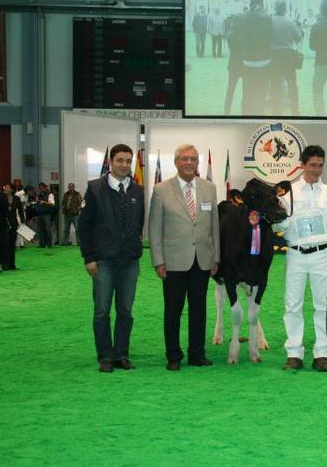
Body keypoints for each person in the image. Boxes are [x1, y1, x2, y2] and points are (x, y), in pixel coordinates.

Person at [149, 144, 220, 371]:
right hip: (173, 261)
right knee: (173, 310)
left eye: (193, 159)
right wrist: (158, 260)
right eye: (185, 159)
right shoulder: (161, 190)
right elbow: (154, 228)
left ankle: (197, 354)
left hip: (202, 260)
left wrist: (215, 257)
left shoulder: (209, 188)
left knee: (199, 309)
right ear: (176, 162)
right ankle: (173, 356)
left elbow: (214, 226)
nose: (189, 163)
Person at [275, 145, 327, 372]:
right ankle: (294, 353)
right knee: (293, 305)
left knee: (323, 304)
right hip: (295, 254)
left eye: (320, 165)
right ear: (302, 165)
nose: (317, 170)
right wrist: (281, 217)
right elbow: (279, 225)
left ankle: (322, 352)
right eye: (312, 165)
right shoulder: (288, 193)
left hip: (321, 255)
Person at [78, 145, 145, 373]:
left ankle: (122, 355)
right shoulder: (94, 189)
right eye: (120, 160)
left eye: (128, 161)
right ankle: (105, 356)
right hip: (103, 261)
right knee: (102, 311)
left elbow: (139, 224)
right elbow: (84, 227)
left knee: (125, 311)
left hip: (129, 263)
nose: (124, 165)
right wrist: (89, 257)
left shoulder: (138, 191)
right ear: (111, 161)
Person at [237, 0, 274, 115]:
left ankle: (245, 116)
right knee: (261, 93)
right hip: (264, 61)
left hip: (248, 61)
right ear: (262, 6)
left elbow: (240, 38)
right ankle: (259, 116)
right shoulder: (268, 18)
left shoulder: (243, 18)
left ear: (250, 5)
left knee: (247, 91)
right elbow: (271, 37)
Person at [270, 0, 304, 116]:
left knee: (275, 84)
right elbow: (298, 38)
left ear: (275, 8)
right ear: (285, 9)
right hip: (288, 56)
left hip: (274, 56)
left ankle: (276, 110)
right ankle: (295, 110)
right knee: (292, 84)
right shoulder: (290, 22)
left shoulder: (270, 21)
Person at [1, 182, 24, 270]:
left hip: (14, 224)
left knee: (12, 244)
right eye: (5, 187)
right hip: (4, 224)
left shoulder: (16, 199)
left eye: (7, 187)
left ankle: (12, 264)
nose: (5, 189)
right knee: (5, 244)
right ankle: (5, 264)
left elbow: (21, 211)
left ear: (11, 189)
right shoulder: (2, 198)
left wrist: (23, 222)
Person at [35, 182, 55, 247]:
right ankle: (42, 244)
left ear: (45, 187)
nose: (40, 189)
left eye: (42, 188)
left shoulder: (50, 195)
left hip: (47, 214)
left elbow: (52, 203)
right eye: (39, 188)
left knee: (47, 229)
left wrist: (44, 202)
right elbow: (37, 203)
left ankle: (49, 244)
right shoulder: (38, 195)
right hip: (39, 213)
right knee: (40, 229)